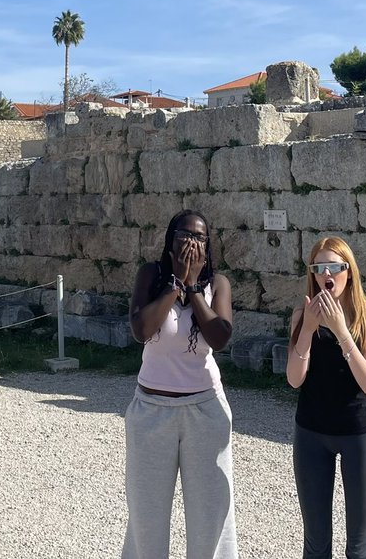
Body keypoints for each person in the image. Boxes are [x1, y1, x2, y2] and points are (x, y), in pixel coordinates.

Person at [123, 209, 237, 559]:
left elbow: (219, 337)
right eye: (184, 235)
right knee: (146, 515)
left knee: (211, 516)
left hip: (204, 409)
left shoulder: (218, 284)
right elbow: (142, 330)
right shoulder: (150, 275)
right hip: (151, 411)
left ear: (209, 245)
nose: (192, 242)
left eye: (200, 237)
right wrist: (175, 285)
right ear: (170, 241)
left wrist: (193, 288)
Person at [286, 237, 366, 559]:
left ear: (349, 271)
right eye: (319, 268)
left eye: (334, 267)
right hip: (311, 433)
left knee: (360, 547)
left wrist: (342, 332)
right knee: (316, 545)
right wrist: (307, 330)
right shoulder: (302, 313)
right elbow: (293, 379)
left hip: (357, 433)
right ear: (313, 275)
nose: (327, 274)